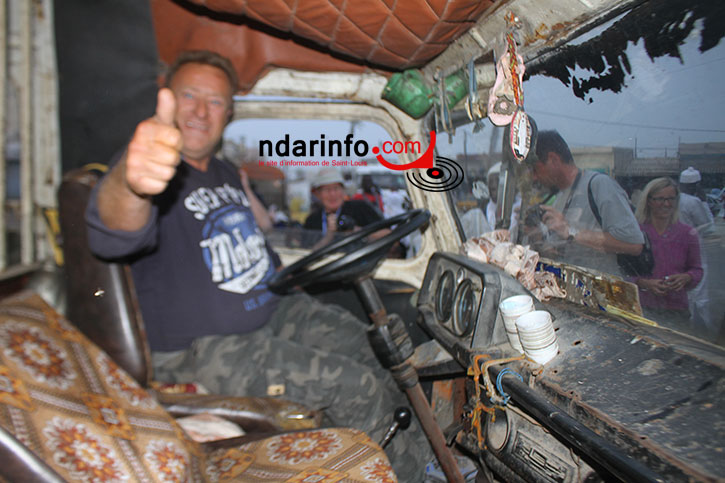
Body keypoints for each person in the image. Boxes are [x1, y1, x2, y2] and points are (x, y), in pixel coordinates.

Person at [85, 50, 430, 480]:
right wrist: (131, 186)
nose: (199, 110)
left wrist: (292, 287)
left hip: (270, 313)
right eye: (189, 95)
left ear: (228, 113)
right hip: (201, 350)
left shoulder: (226, 172)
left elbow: (254, 249)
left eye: (214, 102)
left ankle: (418, 461)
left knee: (376, 349)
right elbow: (112, 231)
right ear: (166, 96)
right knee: (355, 386)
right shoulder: (149, 165)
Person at [526, 130, 645, 276]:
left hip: (606, 293)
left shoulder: (599, 185)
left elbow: (634, 245)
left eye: (536, 169)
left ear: (553, 159)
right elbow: (568, 250)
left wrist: (570, 231)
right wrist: (538, 240)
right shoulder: (560, 197)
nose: (535, 178)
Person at [632, 177, 703, 328]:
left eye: (671, 199)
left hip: (677, 311)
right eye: (660, 199)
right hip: (642, 309)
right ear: (649, 201)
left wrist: (686, 277)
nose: (666, 204)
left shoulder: (687, 233)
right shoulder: (635, 233)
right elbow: (622, 272)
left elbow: (697, 269)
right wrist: (645, 283)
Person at [303, 167, 386, 250]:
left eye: (336, 188)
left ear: (343, 191)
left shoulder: (360, 208)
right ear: (318, 194)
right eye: (327, 190)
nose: (332, 194)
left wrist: (357, 231)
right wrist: (329, 236)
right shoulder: (312, 220)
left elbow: (387, 234)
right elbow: (306, 252)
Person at [678, 166, 714, 234]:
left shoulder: (674, 198)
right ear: (697, 185)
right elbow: (708, 227)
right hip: (690, 240)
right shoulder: (693, 201)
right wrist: (704, 201)